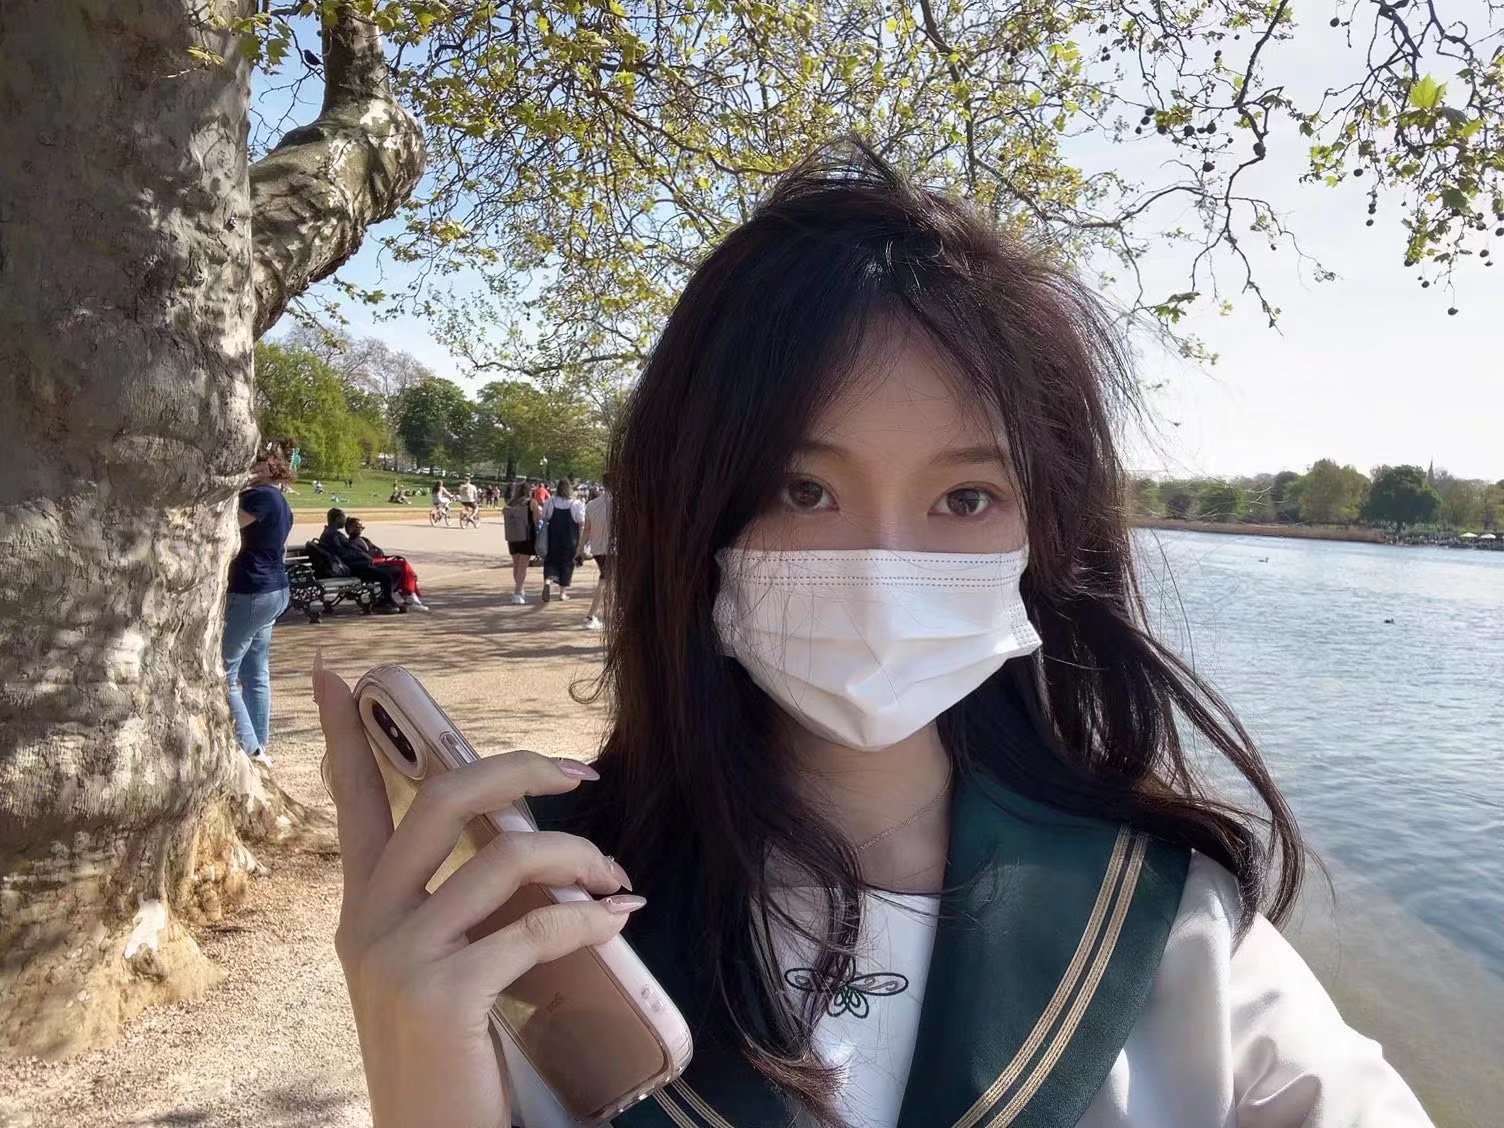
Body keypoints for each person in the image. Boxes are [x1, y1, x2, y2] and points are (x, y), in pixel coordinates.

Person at [318, 144, 1431, 1128]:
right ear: (687, 511)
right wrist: (415, 1079)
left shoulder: (1170, 927)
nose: (885, 567)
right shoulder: (530, 920)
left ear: (1045, 539)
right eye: (802, 490)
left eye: (965, 499)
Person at [223, 449, 294, 765]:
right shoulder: (281, 501)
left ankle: (250, 747)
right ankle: (259, 744)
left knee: (223, 672)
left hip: (252, 590)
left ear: (268, 468)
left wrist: (236, 488)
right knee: (255, 672)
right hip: (273, 589)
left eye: (255, 463)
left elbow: (226, 528)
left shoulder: (261, 497)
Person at [317, 507, 408, 611]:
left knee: (393, 570)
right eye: (343, 518)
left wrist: (363, 556)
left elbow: (346, 551)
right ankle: (384, 602)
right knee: (386, 575)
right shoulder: (332, 535)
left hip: (354, 565)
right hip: (352, 568)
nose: (345, 521)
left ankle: (385, 600)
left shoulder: (332, 533)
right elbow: (343, 555)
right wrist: (362, 557)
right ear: (337, 519)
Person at [345, 517, 428, 611]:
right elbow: (365, 556)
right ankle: (409, 596)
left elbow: (379, 551)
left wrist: (378, 554)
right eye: (358, 527)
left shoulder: (364, 539)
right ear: (350, 529)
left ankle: (408, 595)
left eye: (361, 527)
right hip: (369, 564)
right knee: (401, 565)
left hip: (376, 561)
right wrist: (375, 555)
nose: (360, 529)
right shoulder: (351, 543)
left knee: (401, 565)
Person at [539, 478, 585, 602]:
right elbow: (581, 522)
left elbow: (544, 517)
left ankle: (547, 581)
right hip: (570, 539)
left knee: (550, 561)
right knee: (567, 564)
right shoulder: (576, 504)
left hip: (553, 537)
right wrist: (581, 541)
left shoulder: (550, 501)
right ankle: (562, 593)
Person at [582, 473, 613, 630]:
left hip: (597, 549)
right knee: (605, 581)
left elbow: (586, 530)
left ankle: (599, 614)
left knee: (607, 580)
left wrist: (580, 549)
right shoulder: (621, 504)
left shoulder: (591, 505)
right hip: (613, 548)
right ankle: (591, 615)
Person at [502, 482, 541, 604]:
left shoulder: (510, 504)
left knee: (516, 564)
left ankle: (520, 588)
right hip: (526, 537)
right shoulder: (531, 503)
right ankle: (517, 592)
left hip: (512, 537)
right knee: (523, 566)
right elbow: (536, 520)